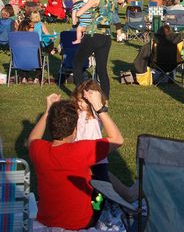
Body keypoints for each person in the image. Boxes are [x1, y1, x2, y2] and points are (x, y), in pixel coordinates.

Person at [28, 92, 123, 230]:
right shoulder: (82, 150)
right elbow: (117, 139)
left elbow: (32, 139)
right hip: (82, 222)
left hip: (47, 219)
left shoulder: (38, 149)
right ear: (74, 129)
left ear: (49, 126)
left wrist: (48, 111)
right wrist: (99, 108)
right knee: (100, 194)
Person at [71, 80, 136, 202]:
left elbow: (102, 108)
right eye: (78, 100)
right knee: (90, 183)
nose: (80, 104)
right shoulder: (77, 112)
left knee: (101, 187)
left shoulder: (96, 113)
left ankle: (98, 207)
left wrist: (95, 101)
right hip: (81, 154)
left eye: (83, 101)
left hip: (97, 156)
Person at [73, 0, 119, 99]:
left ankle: (81, 95)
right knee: (102, 69)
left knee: (77, 63)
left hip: (94, 34)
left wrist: (82, 6)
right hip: (107, 36)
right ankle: (105, 99)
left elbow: (79, 13)